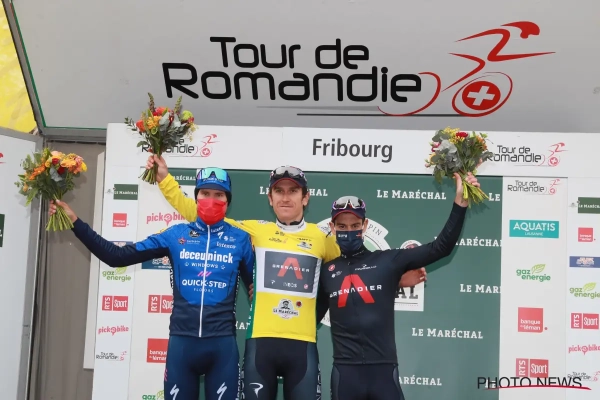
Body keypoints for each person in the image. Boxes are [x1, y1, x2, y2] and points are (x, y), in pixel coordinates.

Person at [145, 156, 424, 400]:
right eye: (279, 191)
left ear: (305, 198)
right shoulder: (254, 231)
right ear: (270, 198)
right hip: (260, 345)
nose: (286, 197)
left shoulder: (321, 238)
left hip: (303, 346)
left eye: (293, 191)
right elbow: (198, 212)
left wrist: (395, 279)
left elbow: (355, 267)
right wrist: (165, 180)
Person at [49, 168, 255, 400]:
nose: (211, 200)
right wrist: (75, 223)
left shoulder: (240, 239)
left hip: (222, 348)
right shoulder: (175, 235)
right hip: (182, 347)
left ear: (228, 201)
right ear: (196, 197)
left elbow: (257, 291)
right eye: (205, 193)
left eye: (219, 195)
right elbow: (117, 256)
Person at [316, 172, 479, 400]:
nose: (349, 231)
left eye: (355, 225)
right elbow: (309, 321)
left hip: (383, 371)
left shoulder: (388, 261)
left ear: (365, 225)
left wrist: (460, 204)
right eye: (342, 226)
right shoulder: (326, 271)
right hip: (345, 373)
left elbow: (441, 248)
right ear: (332, 228)